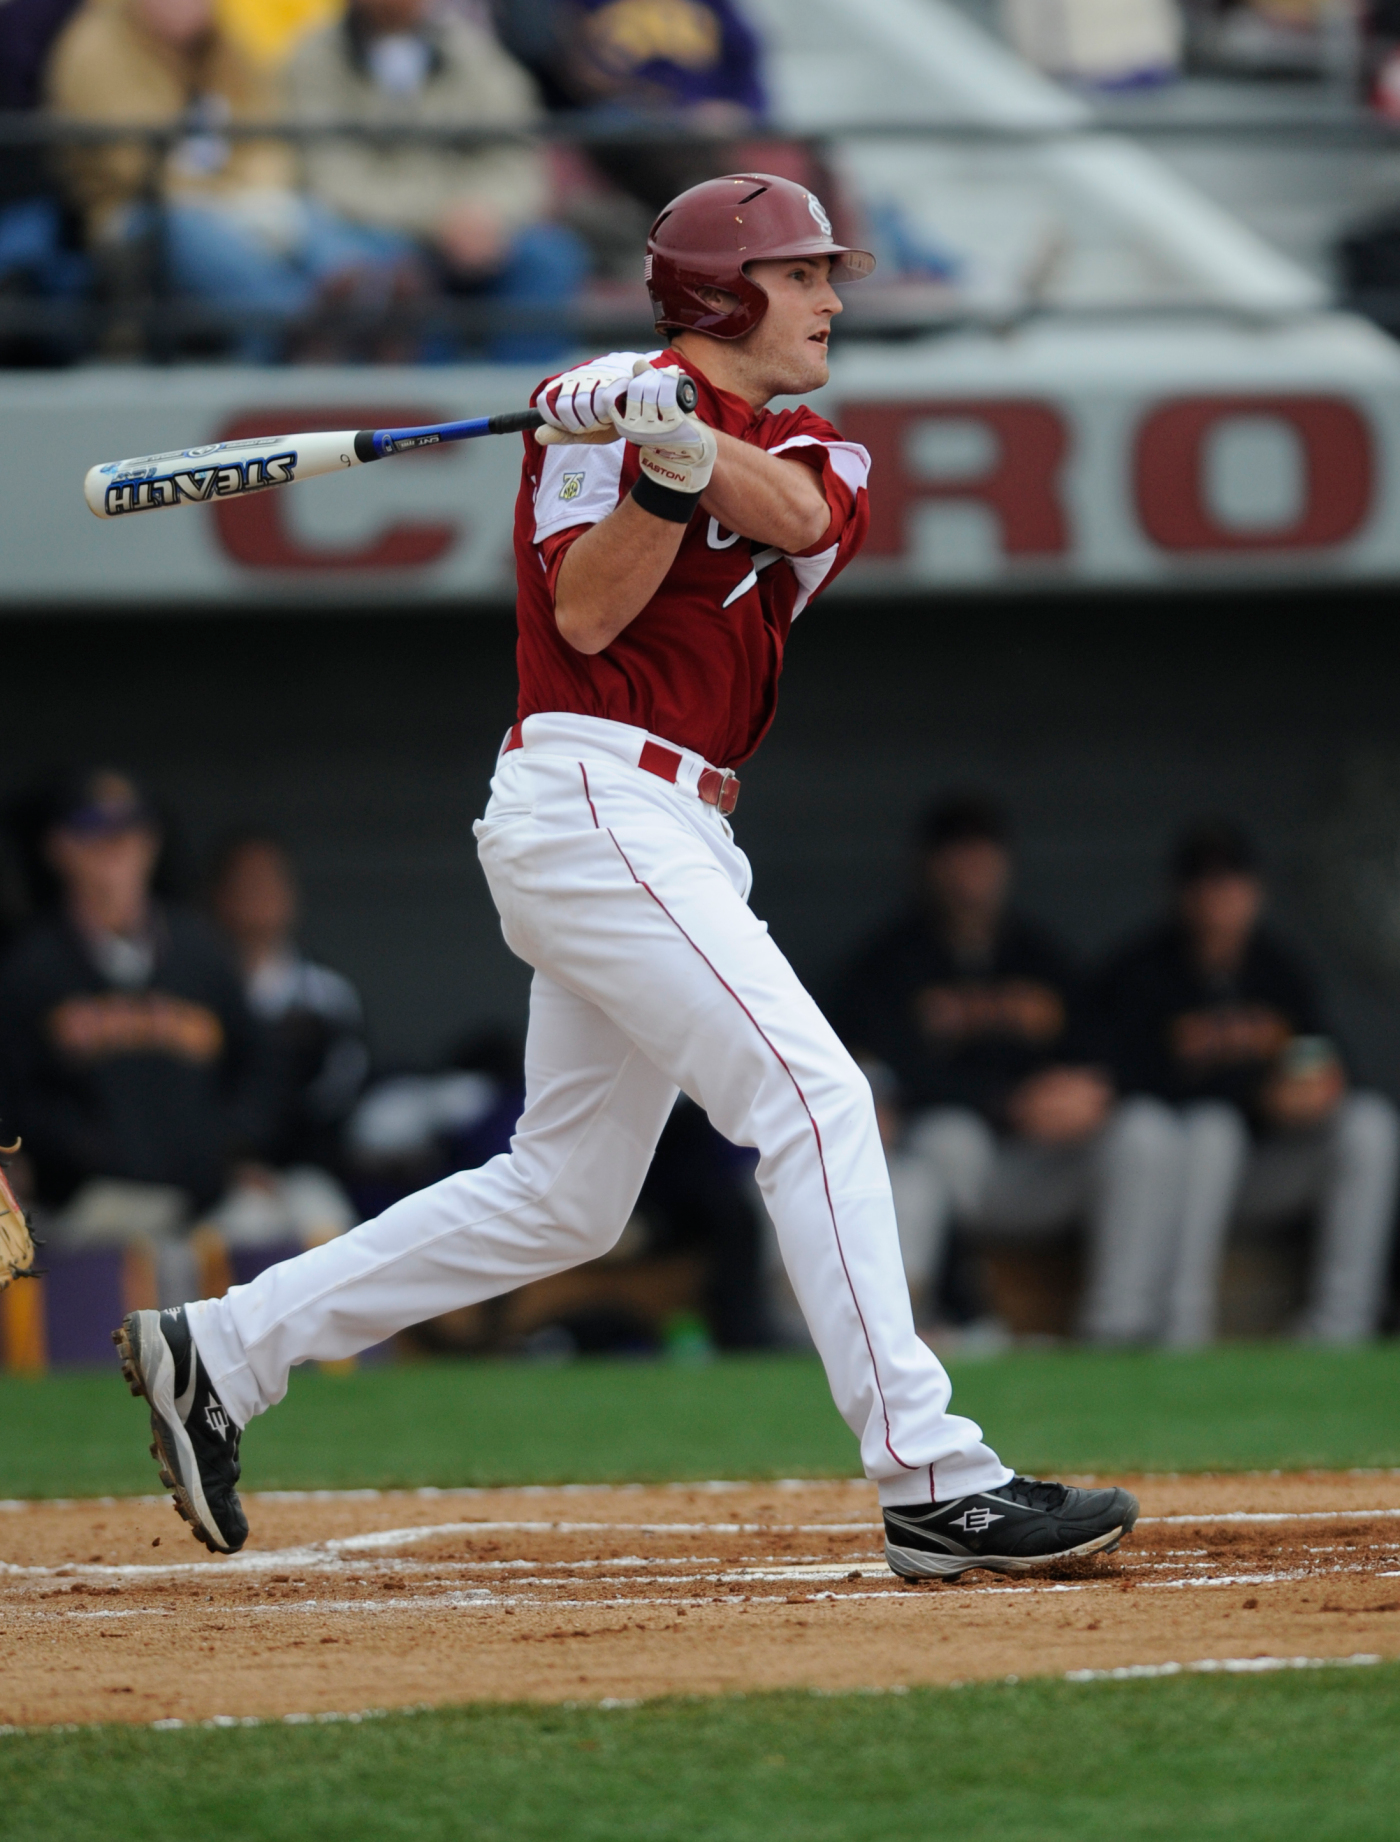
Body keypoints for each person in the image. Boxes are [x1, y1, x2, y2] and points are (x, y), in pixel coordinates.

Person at [113, 172, 1139, 1585]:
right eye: (801, 274)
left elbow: (789, 512)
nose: (834, 296)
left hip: (681, 827)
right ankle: (933, 1476)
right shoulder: (595, 404)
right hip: (592, 794)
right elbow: (591, 609)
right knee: (818, 1092)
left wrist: (680, 442)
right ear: (725, 293)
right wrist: (646, 452)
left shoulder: (818, 452)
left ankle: (225, 1347)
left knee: (569, 1193)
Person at [831, 794, 1181, 1343]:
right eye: (957, 856)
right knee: (948, 1137)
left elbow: (1117, 1049)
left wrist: (1090, 1093)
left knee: (1144, 1131)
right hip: (964, 1170)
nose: (971, 871)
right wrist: (1005, 1102)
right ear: (929, 866)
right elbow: (879, 1077)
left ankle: (1121, 1327)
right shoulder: (890, 962)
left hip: (1047, 1168)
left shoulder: (1042, 956)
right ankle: (955, 1315)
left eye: (983, 855)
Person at [1098, 820, 1400, 1345]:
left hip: (1269, 1170)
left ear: (1254, 892)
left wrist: (1313, 1088)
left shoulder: (1277, 970)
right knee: (1211, 1128)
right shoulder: (1145, 972)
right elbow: (1132, 1081)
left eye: (1232, 883)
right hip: (1183, 1175)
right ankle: (1180, 1326)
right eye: (1206, 884)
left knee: (1369, 1125)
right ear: (1180, 894)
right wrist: (1256, 1095)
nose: (1220, 898)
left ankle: (1341, 1326)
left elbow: (1321, 1051)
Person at [44, 0, 413, 356]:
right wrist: (229, 196)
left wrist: (250, 195)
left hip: (230, 198)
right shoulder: (96, 50)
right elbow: (132, 167)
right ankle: (299, 321)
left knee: (300, 212)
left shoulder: (225, 44)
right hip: (131, 214)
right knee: (185, 228)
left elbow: (267, 136)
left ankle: (370, 291)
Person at [0, 770, 276, 1222]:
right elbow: (16, 1093)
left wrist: (230, 1143)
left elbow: (262, 1065)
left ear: (152, 839)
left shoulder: (199, 949)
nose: (116, 843)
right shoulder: (31, 966)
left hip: (208, 1197)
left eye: (130, 826)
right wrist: (74, 1155)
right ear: (58, 846)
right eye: (94, 827)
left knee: (284, 1222)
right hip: (91, 1202)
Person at [285, 0, 587, 360]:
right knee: (389, 278)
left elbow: (518, 158)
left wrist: (487, 212)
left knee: (550, 257)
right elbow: (332, 177)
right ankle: (426, 406)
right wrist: (439, 218)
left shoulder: (473, 50)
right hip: (373, 230)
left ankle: (530, 406)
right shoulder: (314, 58)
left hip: (478, 227)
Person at [207, 833, 369, 1174]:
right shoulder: (196, 988)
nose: (260, 894)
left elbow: (341, 1095)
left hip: (307, 1170)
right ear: (220, 895)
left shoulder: (327, 993)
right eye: (246, 882)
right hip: (213, 1171)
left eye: (271, 880)